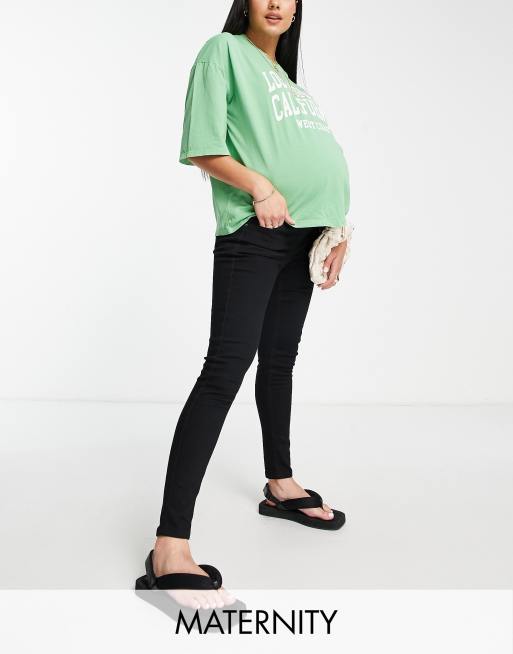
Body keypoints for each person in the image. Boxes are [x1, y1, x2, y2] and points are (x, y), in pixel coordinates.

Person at [138, 0, 351, 610]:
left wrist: (338, 227)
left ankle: (280, 484)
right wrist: (260, 186)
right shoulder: (222, 52)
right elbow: (201, 145)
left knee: (279, 361)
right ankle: (169, 548)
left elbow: (315, 162)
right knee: (224, 372)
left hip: (306, 235)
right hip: (255, 231)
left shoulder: (288, 79)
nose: (277, 2)